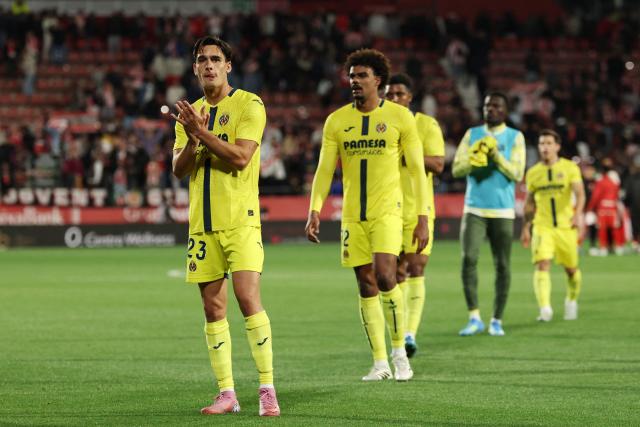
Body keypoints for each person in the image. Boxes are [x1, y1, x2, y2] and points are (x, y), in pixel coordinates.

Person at [170, 35, 279, 417]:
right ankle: (227, 393)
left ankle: (267, 387)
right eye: (202, 60)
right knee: (212, 307)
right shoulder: (190, 113)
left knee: (248, 299)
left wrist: (200, 134)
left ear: (228, 66)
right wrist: (192, 136)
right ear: (195, 67)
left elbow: (241, 158)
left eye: (216, 59)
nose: (209, 65)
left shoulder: (249, 104)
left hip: (241, 221)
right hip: (202, 225)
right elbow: (179, 169)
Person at [305, 49, 429, 381]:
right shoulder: (336, 121)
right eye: (352, 76)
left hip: (388, 211)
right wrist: (314, 209)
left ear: (378, 80)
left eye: (362, 76)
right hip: (351, 216)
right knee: (365, 283)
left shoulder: (401, 118)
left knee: (387, 275)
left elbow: (417, 171)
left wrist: (422, 216)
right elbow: (323, 170)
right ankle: (378, 363)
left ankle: (400, 352)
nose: (355, 81)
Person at [452, 92, 526, 336]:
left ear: (504, 111)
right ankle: (474, 317)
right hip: (474, 208)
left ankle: (497, 319)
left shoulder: (515, 137)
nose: (490, 109)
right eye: (487, 106)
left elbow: (517, 173)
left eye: (496, 106)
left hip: (503, 210)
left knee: (502, 265)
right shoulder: (472, 135)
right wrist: (476, 160)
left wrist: (495, 156)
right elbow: (456, 169)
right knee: (468, 260)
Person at [384, 73, 444, 358]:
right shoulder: (381, 125)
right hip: (387, 209)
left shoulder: (426, 124)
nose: (394, 99)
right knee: (395, 273)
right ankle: (400, 330)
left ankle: (409, 333)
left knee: (417, 266)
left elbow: (439, 164)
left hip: (419, 208)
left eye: (399, 94)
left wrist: (405, 153)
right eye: (389, 94)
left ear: (410, 97)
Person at [520, 129, 585, 321]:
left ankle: (571, 300)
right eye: (541, 144)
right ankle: (545, 309)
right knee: (542, 264)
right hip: (543, 226)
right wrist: (526, 227)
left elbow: (580, 193)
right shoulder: (533, 173)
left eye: (549, 143)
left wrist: (578, 215)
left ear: (557, 146)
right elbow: (529, 202)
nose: (545, 147)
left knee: (571, 269)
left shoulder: (569, 168)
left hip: (566, 226)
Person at [586, 159, 625, 256]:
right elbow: (617, 194)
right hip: (612, 207)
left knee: (602, 229)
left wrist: (590, 208)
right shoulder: (615, 182)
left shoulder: (601, 181)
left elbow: (596, 196)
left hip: (602, 208)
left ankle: (603, 248)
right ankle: (618, 247)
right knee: (615, 228)